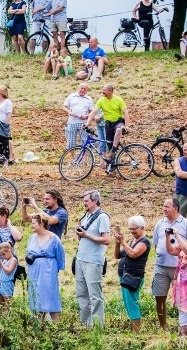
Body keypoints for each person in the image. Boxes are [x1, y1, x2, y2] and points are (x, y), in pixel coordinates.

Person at [151, 198, 187, 331]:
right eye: (163, 206)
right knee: (159, 297)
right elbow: (156, 244)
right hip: (161, 266)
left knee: (182, 298)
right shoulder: (159, 223)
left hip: (179, 267)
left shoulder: (185, 224)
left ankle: (184, 326)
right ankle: (163, 326)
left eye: (167, 206)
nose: (164, 209)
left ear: (176, 208)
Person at [74, 190, 110, 328]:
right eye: (84, 201)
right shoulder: (85, 216)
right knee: (81, 294)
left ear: (95, 201)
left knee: (95, 295)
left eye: (87, 201)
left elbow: (106, 240)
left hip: (93, 260)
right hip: (81, 258)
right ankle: (85, 324)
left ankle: (97, 326)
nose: (84, 203)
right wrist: (80, 234)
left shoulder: (102, 217)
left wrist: (86, 235)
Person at [113, 216, 150, 332]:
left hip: (133, 277)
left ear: (142, 228)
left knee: (132, 304)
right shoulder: (131, 241)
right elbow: (117, 255)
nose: (132, 231)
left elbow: (133, 254)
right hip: (125, 276)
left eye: (135, 229)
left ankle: (136, 332)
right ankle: (133, 329)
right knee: (128, 304)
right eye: (130, 229)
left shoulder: (144, 242)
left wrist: (123, 241)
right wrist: (118, 243)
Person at [26, 213, 65, 321]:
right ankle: (39, 324)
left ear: (42, 223)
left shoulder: (53, 238)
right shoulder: (31, 238)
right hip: (34, 270)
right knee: (36, 295)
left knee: (50, 294)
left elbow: (60, 254)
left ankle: (57, 325)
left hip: (48, 270)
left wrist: (57, 269)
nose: (31, 226)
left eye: (34, 223)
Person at [85, 84, 128, 162]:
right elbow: (94, 112)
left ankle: (112, 152)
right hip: (108, 124)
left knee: (118, 130)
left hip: (118, 122)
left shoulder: (118, 99)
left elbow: (125, 113)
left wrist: (127, 126)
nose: (102, 91)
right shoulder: (101, 100)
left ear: (110, 91)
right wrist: (87, 123)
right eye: (102, 89)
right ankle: (112, 164)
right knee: (109, 144)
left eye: (104, 90)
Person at [63, 83, 93, 149]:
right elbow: (64, 107)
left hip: (83, 123)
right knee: (71, 142)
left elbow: (92, 112)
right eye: (81, 88)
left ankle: (84, 159)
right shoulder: (72, 96)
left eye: (84, 89)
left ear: (87, 90)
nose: (82, 90)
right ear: (78, 88)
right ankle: (72, 158)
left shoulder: (88, 99)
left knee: (85, 141)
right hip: (72, 122)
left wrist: (86, 116)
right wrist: (69, 112)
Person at [0, 85, 16, 163]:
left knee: (3, 140)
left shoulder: (7, 102)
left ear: (1, 92)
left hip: (2, 123)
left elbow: (9, 114)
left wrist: (5, 123)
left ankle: (5, 157)